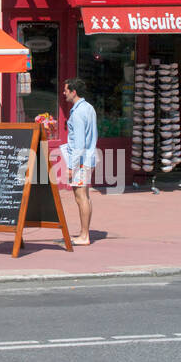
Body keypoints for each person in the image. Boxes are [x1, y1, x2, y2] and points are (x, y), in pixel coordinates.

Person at [63, 78, 98, 246]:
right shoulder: (89, 108)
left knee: (80, 197)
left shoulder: (77, 113)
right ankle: (85, 233)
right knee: (86, 196)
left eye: (66, 90)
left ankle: (84, 235)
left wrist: (71, 167)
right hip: (89, 157)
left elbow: (79, 144)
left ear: (74, 92)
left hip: (81, 160)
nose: (64, 93)